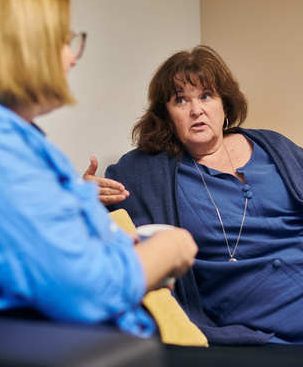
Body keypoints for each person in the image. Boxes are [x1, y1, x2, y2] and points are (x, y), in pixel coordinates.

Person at [0, 0, 197, 338]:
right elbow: (83, 288)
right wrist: (167, 251)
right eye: (64, 41)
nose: (72, 58)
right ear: (21, 47)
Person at [85, 45, 303, 345]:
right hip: (262, 330)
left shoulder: (274, 148)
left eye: (206, 96)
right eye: (180, 100)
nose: (196, 109)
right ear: (166, 115)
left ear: (224, 103)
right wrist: (82, 198)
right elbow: (103, 231)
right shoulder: (144, 174)